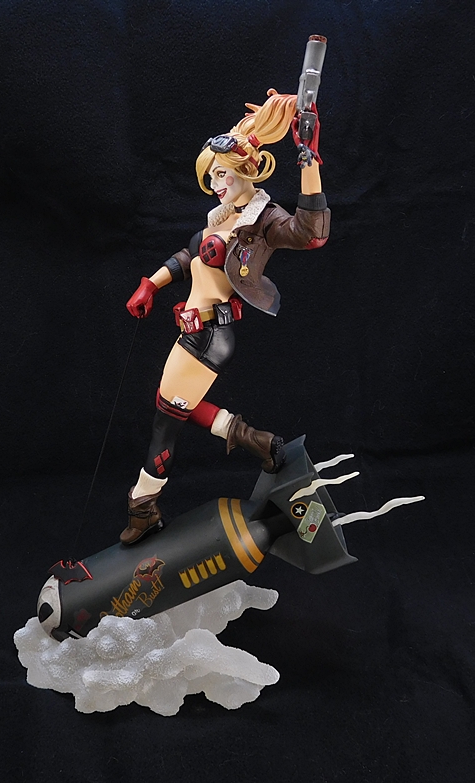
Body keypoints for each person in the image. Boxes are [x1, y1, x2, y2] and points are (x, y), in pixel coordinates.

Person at [120, 89, 330, 545]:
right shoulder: (222, 216)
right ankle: (261, 443)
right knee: (175, 406)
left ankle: (143, 508)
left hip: (208, 335)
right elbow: (189, 256)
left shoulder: (261, 220)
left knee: (166, 420)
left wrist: (308, 159)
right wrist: (151, 283)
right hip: (194, 333)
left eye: (222, 174)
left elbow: (310, 234)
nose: (215, 183)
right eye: (211, 175)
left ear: (245, 169)